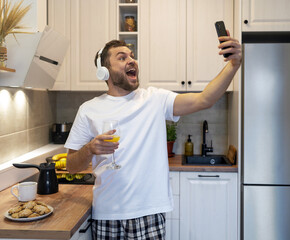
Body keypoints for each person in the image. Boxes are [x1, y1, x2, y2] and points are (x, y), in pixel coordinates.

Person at [64, 33, 242, 239]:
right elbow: (71, 166)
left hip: (148, 213)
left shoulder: (155, 99)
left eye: (132, 56)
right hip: (106, 213)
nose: (132, 60)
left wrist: (233, 65)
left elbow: (204, 99)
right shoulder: (88, 110)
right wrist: (89, 149)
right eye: (122, 57)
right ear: (105, 72)